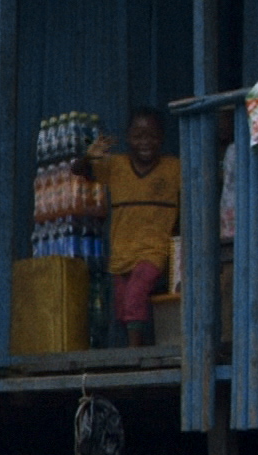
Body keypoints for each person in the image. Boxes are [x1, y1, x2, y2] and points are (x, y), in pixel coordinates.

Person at [74, 106, 181, 347]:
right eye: (138, 136)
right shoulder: (116, 166)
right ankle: (133, 352)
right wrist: (88, 156)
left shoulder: (174, 168)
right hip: (122, 252)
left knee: (135, 296)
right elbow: (77, 170)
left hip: (154, 250)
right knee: (122, 308)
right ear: (128, 138)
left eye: (151, 136)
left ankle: (135, 353)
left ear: (161, 138)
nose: (145, 142)